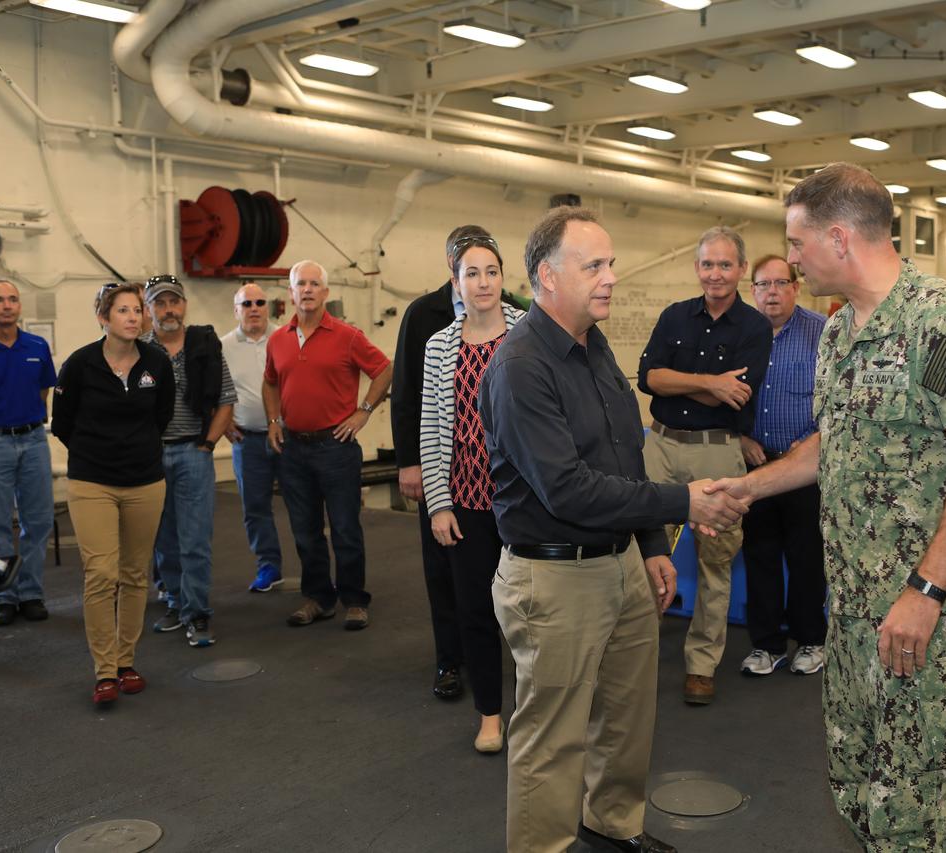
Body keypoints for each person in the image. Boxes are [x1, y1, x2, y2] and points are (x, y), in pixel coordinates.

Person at [708, 163, 946, 850]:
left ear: (839, 238)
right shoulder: (840, 333)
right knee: (856, 786)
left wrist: (926, 590)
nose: (788, 259)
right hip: (850, 611)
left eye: (796, 241)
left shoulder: (945, 322)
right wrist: (747, 487)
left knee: (914, 806)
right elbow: (831, 443)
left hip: (922, 620)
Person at [480, 206, 748, 853]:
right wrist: (682, 500)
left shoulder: (593, 345)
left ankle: (612, 825)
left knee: (627, 715)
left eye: (610, 263)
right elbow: (567, 487)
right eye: (593, 265)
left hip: (619, 559)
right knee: (552, 735)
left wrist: (652, 543)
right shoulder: (521, 366)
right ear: (547, 276)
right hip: (552, 573)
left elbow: (625, 448)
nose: (610, 277)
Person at [637, 225, 772, 705]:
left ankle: (701, 666)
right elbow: (648, 378)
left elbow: (738, 394)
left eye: (725, 264)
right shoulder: (675, 316)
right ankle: (631, 658)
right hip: (661, 446)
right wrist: (711, 383)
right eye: (707, 264)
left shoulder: (754, 327)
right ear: (697, 268)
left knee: (716, 560)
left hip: (718, 452)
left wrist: (690, 383)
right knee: (642, 555)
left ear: (740, 269)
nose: (715, 273)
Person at [392, 224, 526, 701]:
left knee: (531, 603)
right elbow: (426, 419)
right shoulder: (435, 339)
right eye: (473, 273)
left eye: (492, 271)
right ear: (456, 280)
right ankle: (483, 698)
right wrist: (437, 501)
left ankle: (536, 693)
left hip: (526, 495)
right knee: (470, 600)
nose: (483, 281)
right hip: (466, 494)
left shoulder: (530, 329)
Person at [52, 283, 175, 707]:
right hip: (92, 483)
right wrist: (97, 455)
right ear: (103, 318)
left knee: (135, 573)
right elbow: (63, 423)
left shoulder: (157, 362)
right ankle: (104, 670)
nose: (132, 317)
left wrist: (135, 453)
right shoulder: (79, 365)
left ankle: (126, 662)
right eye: (122, 310)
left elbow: (161, 417)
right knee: (101, 573)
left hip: (144, 482)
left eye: (137, 310)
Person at [264, 260, 392, 631]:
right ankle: (318, 598)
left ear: (325, 292)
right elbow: (270, 382)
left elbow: (384, 369)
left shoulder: (347, 336)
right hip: (293, 449)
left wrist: (363, 411)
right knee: (305, 530)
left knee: (344, 528)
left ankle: (354, 599)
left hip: (335, 448)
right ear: (290, 292)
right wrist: (273, 420)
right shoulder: (278, 339)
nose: (306, 290)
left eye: (313, 284)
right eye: (299, 284)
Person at [736, 256, 828, 678]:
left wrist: (810, 442)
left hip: (806, 467)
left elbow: (834, 400)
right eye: (762, 285)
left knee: (807, 556)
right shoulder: (740, 335)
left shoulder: (821, 333)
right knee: (760, 556)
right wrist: (742, 436)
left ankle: (811, 639)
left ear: (795, 287)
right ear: (751, 290)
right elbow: (725, 395)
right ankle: (766, 645)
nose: (771, 292)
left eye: (779, 283)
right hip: (756, 465)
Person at [142, 275, 235, 648]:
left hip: (193, 452)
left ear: (184, 306)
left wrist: (207, 444)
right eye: (160, 303)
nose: (169, 310)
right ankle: (176, 602)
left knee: (194, 538)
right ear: (149, 311)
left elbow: (226, 399)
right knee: (164, 539)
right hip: (151, 457)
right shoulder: (139, 351)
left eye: (174, 302)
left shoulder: (205, 346)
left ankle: (197, 613)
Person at [0, 279, 56, 627]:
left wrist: (28, 426)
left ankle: (31, 593)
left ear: (19, 306)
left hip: (34, 441)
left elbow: (43, 393)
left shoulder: (37, 345)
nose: (6, 305)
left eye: (12, 299)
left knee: (37, 522)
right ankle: (3, 596)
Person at [222, 283, 284, 593]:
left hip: (289, 438)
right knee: (255, 507)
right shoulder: (223, 347)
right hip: (247, 442)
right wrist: (221, 423)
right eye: (247, 304)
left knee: (304, 504)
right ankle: (268, 565)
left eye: (260, 302)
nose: (255, 308)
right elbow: (213, 391)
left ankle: (315, 567)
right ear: (236, 310)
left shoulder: (286, 338)